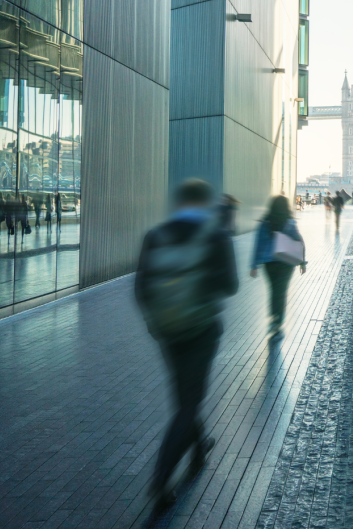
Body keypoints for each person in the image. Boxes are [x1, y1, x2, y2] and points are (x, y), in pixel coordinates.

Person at [134, 179, 238, 514]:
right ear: (205, 203)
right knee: (189, 402)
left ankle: (199, 449)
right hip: (201, 329)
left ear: (179, 202)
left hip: (168, 331)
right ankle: (161, 478)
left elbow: (141, 288)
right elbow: (231, 285)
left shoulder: (155, 235)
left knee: (185, 398)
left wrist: (156, 323)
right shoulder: (216, 235)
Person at [251, 195, 306, 334]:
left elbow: (258, 244)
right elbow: (299, 241)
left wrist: (254, 265)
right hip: (286, 262)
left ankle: (273, 318)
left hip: (270, 262)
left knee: (273, 290)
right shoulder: (290, 222)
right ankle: (278, 321)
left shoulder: (265, 223)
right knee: (282, 291)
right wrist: (302, 262)